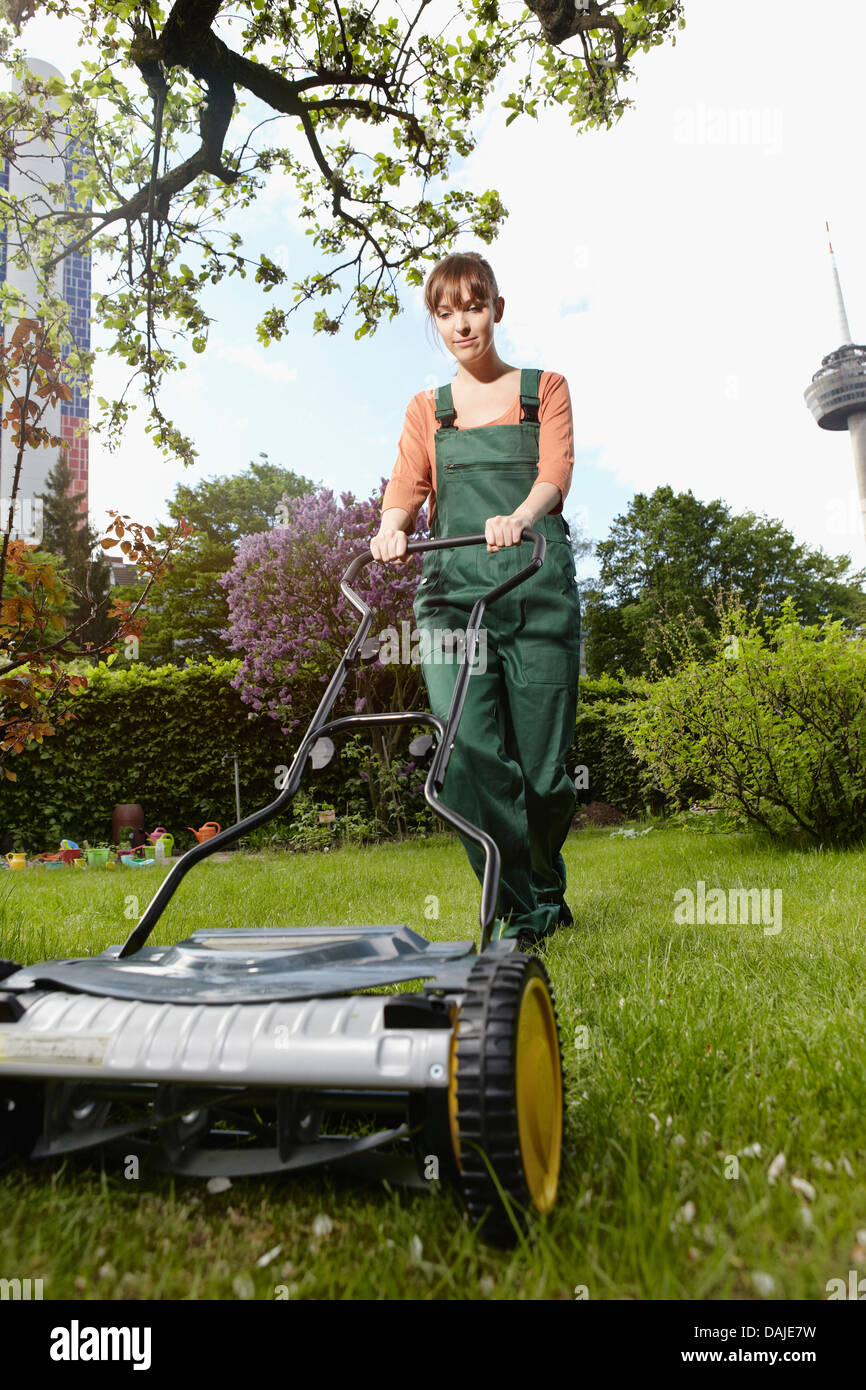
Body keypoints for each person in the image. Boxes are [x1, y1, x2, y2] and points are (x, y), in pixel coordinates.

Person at [370, 251, 581, 948]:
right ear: (437, 321)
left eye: (474, 305)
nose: (463, 323)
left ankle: (545, 888)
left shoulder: (543, 388)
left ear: (496, 308)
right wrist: (390, 530)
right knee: (465, 755)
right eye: (447, 312)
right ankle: (520, 908)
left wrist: (521, 515)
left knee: (547, 776)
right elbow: (405, 490)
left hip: (537, 594)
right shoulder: (428, 409)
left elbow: (555, 472)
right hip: (454, 602)